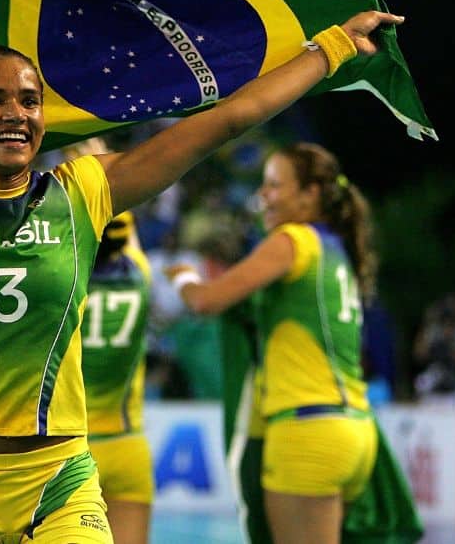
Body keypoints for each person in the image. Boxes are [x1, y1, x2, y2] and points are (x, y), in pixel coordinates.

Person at [0, 0, 404, 540]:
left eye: (30, 101)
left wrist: (331, 48)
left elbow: (227, 119)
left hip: (61, 485)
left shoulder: (86, 191)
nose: (16, 114)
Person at [165, 142, 410, 544]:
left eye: (275, 185)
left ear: (310, 194)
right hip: (355, 431)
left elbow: (208, 300)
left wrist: (182, 275)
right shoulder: (337, 249)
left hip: (306, 435)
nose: (264, 196)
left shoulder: (292, 241)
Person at [82, 211, 154, 543]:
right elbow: (127, 234)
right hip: (128, 446)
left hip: (71, 453)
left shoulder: (63, 287)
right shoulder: (141, 273)